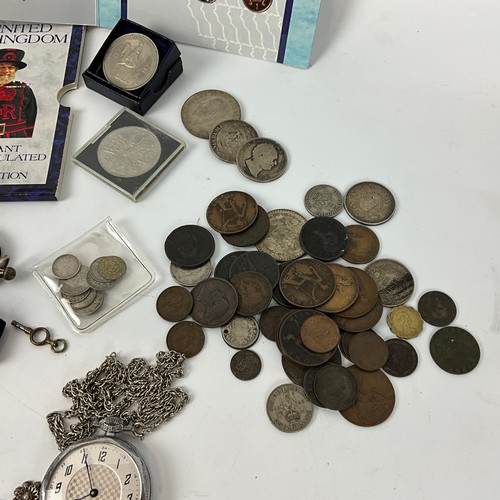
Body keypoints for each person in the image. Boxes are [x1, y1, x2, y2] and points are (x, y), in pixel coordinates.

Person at [0, 48, 37, 138]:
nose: (6, 71)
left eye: (11, 67)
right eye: (2, 67)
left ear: (15, 70)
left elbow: (31, 115)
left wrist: (28, 139)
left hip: (16, 135)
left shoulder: (25, 89)